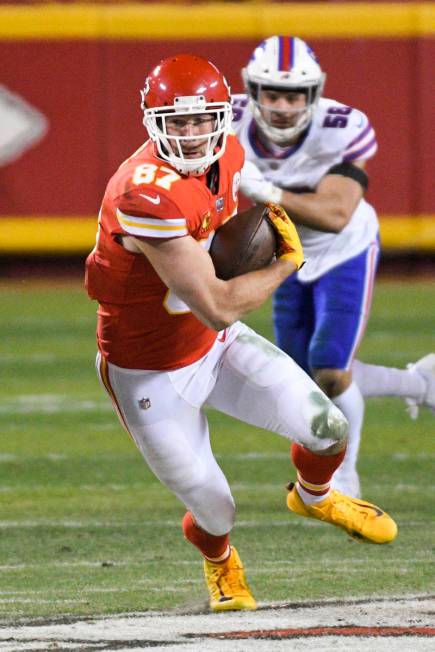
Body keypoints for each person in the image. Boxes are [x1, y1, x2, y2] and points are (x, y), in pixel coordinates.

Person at [85, 53, 397, 613]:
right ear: (152, 121)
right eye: (176, 122)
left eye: (201, 119)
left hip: (212, 348)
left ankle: (315, 496)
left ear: (219, 116)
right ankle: (220, 560)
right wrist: (283, 263)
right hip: (150, 369)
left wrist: (270, 208)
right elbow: (220, 307)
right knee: (214, 506)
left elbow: (245, 187)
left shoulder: (229, 148)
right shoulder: (144, 193)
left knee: (328, 427)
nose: (191, 132)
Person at [233, 35, 435, 498]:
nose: (282, 106)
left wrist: (268, 193)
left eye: (293, 95)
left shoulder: (342, 127)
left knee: (327, 366)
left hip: (344, 246)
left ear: (313, 94)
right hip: (287, 247)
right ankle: (421, 384)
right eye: (271, 94)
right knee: (307, 376)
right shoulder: (228, 121)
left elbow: (336, 214)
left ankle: (344, 475)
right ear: (252, 92)